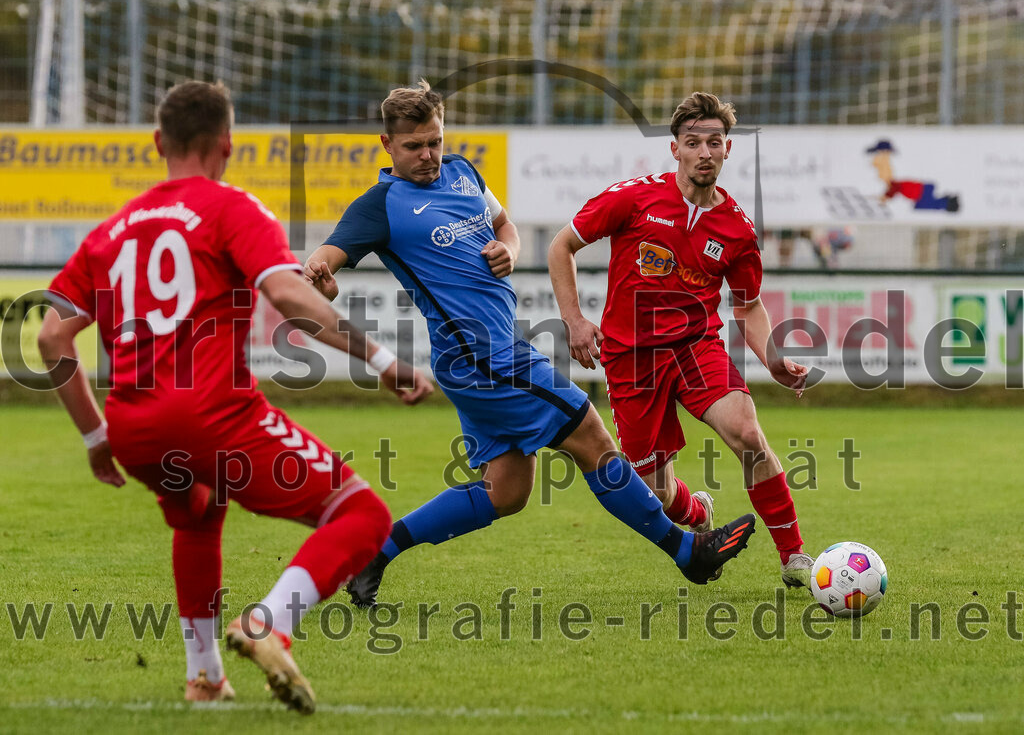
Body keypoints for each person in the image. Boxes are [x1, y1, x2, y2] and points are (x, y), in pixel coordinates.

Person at [37, 81, 432, 714]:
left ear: (158, 143)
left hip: (135, 427)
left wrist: (96, 439)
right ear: (227, 143)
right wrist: (383, 360)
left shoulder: (108, 232)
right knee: (362, 518)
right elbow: (290, 297)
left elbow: (54, 338)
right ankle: (268, 624)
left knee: (197, 513)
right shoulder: (232, 208)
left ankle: (204, 678)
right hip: (213, 418)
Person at [304, 80, 757, 608]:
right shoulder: (381, 205)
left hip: (488, 354)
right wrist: (319, 272)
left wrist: (508, 249)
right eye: (413, 146)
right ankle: (688, 553)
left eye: (435, 141)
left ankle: (375, 551)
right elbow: (325, 257)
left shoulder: (463, 172)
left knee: (507, 491)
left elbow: (504, 224)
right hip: (481, 357)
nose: (428, 155)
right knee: (590, 433)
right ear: (387, 146)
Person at [548, 92, 815, 588]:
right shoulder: (633, 198)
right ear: (676, 149)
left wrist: (773, 359)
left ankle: (794, 555)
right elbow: (561, 245)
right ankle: (696, 509)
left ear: (727, 149)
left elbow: (748, 305)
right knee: (653, 486)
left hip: (695, 346)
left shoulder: (737, 229)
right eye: (693, 142)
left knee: (748, 434)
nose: (704, 152)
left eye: (714, 141)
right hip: (631, 359)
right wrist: (575, 321)